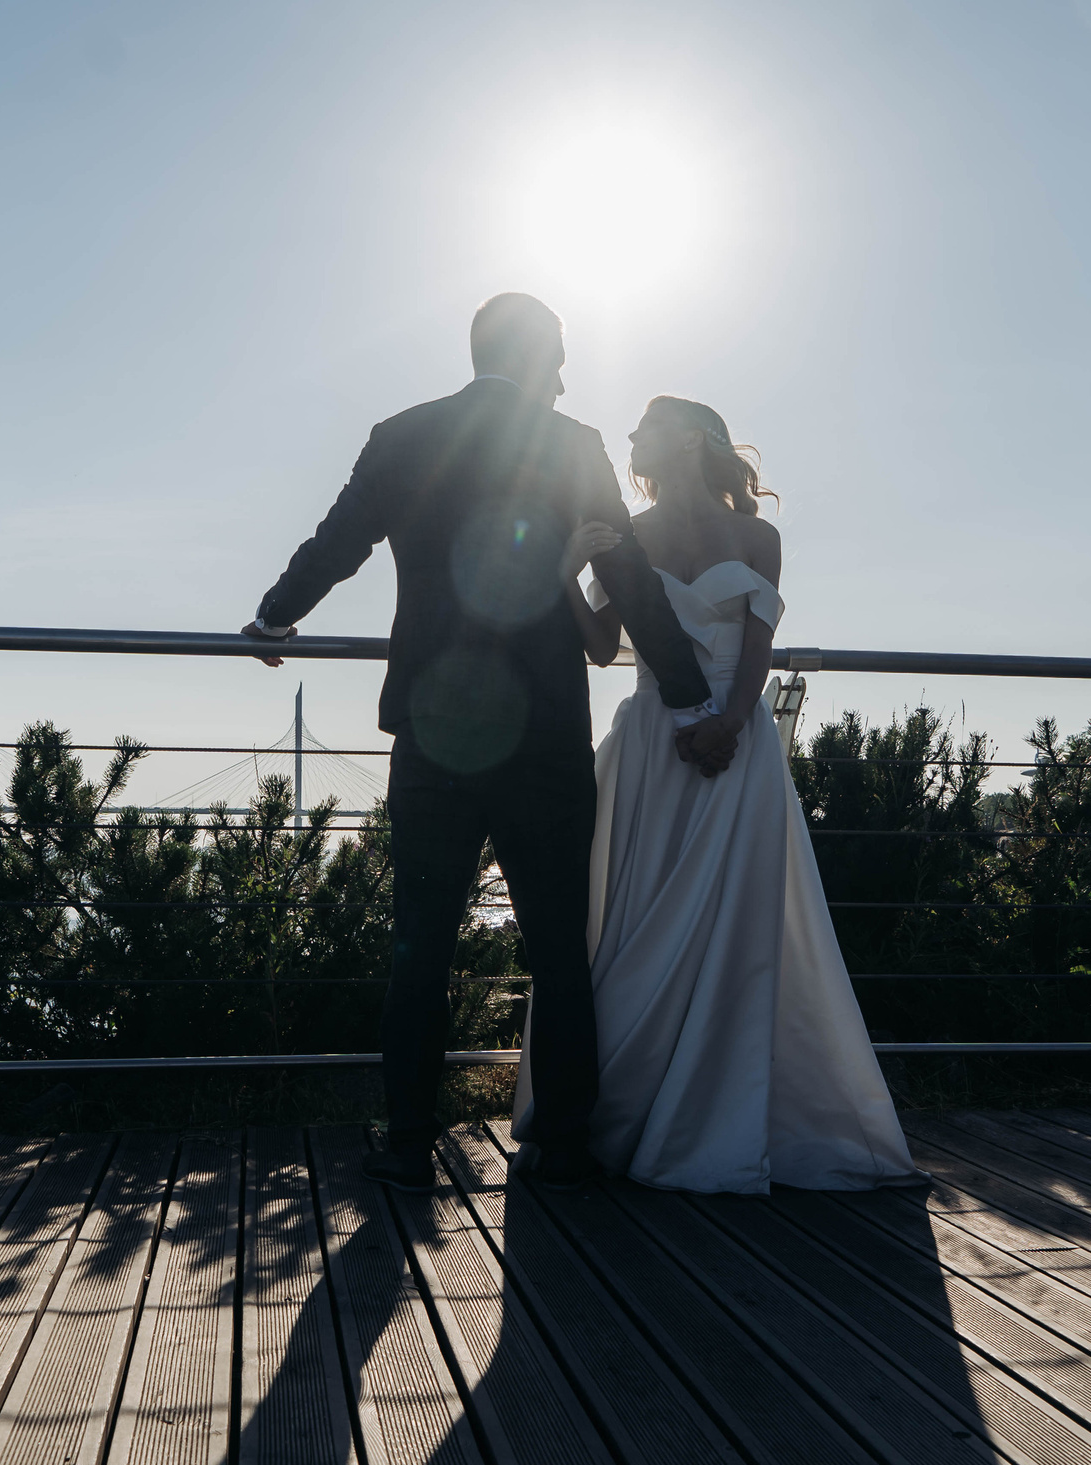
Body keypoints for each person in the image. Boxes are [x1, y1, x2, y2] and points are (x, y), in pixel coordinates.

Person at [244, 295, 726, 1192]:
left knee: (420, 942)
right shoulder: (572, 445)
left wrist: (276, 614)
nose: (569, 375)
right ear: (537, 355)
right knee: (554, 945)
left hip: (434, 732)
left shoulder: (403, 435)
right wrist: (692, 701)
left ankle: (408, 1143)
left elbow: (337, 543)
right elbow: (628, 578)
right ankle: (564, 1149)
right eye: (563, 356)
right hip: (544, 730)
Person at [513, 394, 926, 1193]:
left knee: (735, 928)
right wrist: (565, 573)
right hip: (651, 750)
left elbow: (758, 647)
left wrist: (730, 724)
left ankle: (714, 1114)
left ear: (693, 438)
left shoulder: (759, 538)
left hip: (736, 748)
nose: (632, 437)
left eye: (647, 425)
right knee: (639, 922)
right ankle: (622, 1111)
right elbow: (602, 649)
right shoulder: (623, 536)